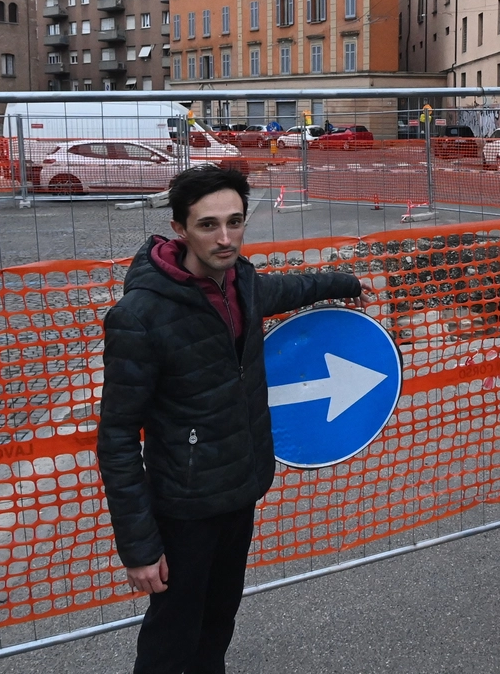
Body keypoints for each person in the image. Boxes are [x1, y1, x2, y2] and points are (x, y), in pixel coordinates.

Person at [97, 164, 372, 674]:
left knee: (219, 619)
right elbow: (115, 437)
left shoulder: (239, 281)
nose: (225, 239)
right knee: (172, 635)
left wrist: (343, 282)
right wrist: (138, 547)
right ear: (179, 228)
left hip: (240, 488)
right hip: (185, 505)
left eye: (235, 222)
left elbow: (286, 290)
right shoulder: (139, 316)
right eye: (208, 225)